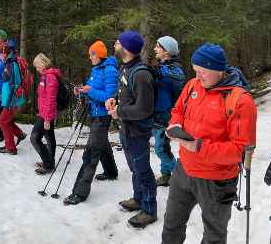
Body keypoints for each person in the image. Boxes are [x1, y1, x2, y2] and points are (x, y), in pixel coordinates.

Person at [161, 43, 257, 244]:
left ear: (219, 70)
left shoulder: (240, 100)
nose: (198, 77)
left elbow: (239, 151)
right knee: (171, 226)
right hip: (184, 170)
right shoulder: (192, 86)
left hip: (216, 180)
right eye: (195, 71)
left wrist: (199, 146)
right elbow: (177, 109)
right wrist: (175, 125)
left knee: (214, 235)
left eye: (203, 72)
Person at [106, 30, 157, 228]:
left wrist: (120, 112)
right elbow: (128, 96)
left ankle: (149, 209)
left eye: (118, 43)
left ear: (126, 48)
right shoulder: (126, 68)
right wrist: (115, 101)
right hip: (127, 129)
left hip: (138, 131)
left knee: (142, 170)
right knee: (135, 168)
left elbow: (144, 109)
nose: (115, 45)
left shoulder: (141, 73)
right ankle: (138, 199)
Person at [63, 40, 119, 205]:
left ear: (99, 54)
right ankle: (111, 172)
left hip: (102, 115)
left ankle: (79, 193)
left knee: (91, 152)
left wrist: (90, 91)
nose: (90, 58)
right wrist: (81, 92)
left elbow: (110, 97)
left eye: (92, 55)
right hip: (94, 113)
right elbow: (91, 91)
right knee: (101, 144)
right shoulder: (96, 70)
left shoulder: (110, 71)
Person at [153, 36, 185, 187]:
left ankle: (182, 178)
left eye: (158, 47)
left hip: (167, 115)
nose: (155, 49)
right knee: (163, 147)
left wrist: (159, 72)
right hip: (158, 114)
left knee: (160, 149)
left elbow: (177, 78)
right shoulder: (162, 66)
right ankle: (166, 175)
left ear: (166, 51)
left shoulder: (174, 69)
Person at [31, 53, 60, 175]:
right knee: (49, 136)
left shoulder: (50, 78)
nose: (36, 69)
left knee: (34, 138)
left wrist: (47, 118)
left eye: (37, 66)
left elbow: (50, 99)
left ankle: (48, 164)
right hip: (44, 113)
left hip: (46, 114)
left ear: (42, 64)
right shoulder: (45, 76)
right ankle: (49, 161)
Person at [0, 38, 27, 155]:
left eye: (0, 53)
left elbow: (14, 85)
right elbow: (7, 84)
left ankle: (11, 148)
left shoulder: (11, 64)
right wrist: (2, 95)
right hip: (9, 98)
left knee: (3, 121)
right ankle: (19, 134)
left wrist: (8, 101)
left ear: (5, 52)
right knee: (6, 120)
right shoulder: (9, 62)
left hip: (12, 100)